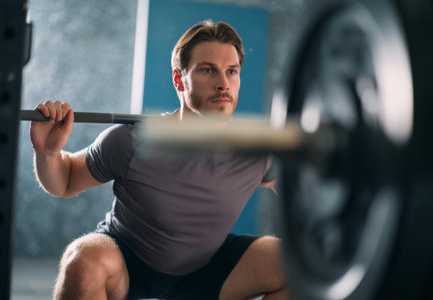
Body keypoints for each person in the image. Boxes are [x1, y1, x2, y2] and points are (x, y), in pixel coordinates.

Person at [30, 20, 289, 300]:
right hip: (129, 263)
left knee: (296, 265)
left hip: (208, 268)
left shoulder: (257, 151)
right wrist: (48, 152)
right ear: (179, 79)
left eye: (232, 72)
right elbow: (65, 181)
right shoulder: (131, 141)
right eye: (208, 70)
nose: (223, 84)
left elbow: (301, 195)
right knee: (82, 260)